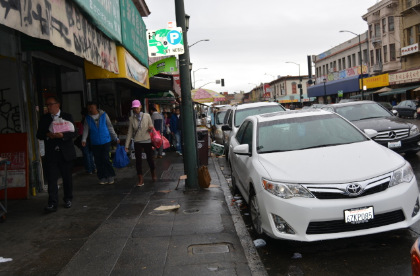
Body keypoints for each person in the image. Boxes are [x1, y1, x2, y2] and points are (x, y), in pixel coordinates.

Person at [36, 96, 77, 213]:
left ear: (57, 105)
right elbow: (39, 134)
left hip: (65, 153)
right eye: (47, 105)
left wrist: (62, 136)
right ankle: (52, 203)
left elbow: (74, 133)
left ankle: (68, 199)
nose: (48, 107)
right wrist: (48, 135)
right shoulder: (44, 119)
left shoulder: (67, 116)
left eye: (50, 104)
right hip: (51, 153)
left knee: (67, 178)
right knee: (52, 179)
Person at [82, 102, 119, 185]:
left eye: (91, 107)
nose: (90, 109)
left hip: (105, 140)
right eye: (89, 108)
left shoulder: (104, 115)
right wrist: (83, 139)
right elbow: (85, 130)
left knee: (105, 158)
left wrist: (115, 137)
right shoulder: (87, 118)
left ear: (96, 107)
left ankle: (110, 175)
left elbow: (110, 126)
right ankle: (102, 177)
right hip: (95, 142)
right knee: (98, 160)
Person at [125, 100, 156, 186]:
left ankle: (153, 172)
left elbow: (152, 127)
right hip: (137, 141)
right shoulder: (131, 119)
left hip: (147, 140)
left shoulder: (147, 116)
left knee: (150, 159)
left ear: (140, 107)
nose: (136, 109)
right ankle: (140, 179)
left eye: (137, 107)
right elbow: (130, 132)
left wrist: (150, 128)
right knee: (138, 161)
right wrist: (126, 145)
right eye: (134, 108)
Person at [76, 109, 96, 174]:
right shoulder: (91, 120)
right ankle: (93, 168)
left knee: (86, 154)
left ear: (83, 115)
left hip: (84, 140)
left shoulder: (83, 122)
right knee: (90, 154)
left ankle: (89, 169)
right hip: (91, 139)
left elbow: (80, 132)